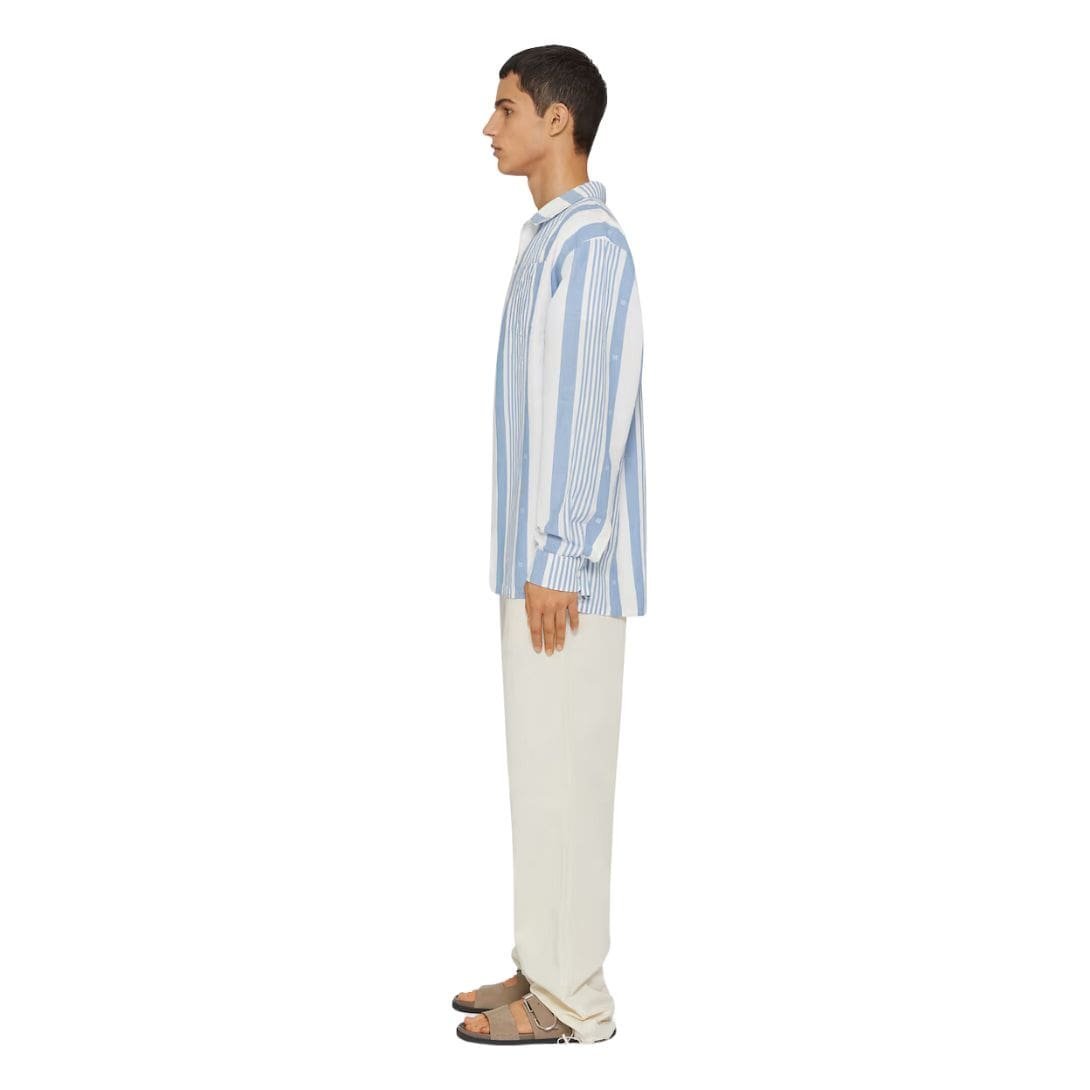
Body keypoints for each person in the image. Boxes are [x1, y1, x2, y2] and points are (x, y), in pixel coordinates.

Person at [454, 44, 647, 1047]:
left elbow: (589, 409)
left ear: (557, 120)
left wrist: (562, 557)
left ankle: (576, 1003)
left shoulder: (591, 248)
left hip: (566, 573)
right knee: (540, 773)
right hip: (535, 567)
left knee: (567, 775)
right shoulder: (548, 242)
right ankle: (544, 962)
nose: (489, 128)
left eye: (506, 108)